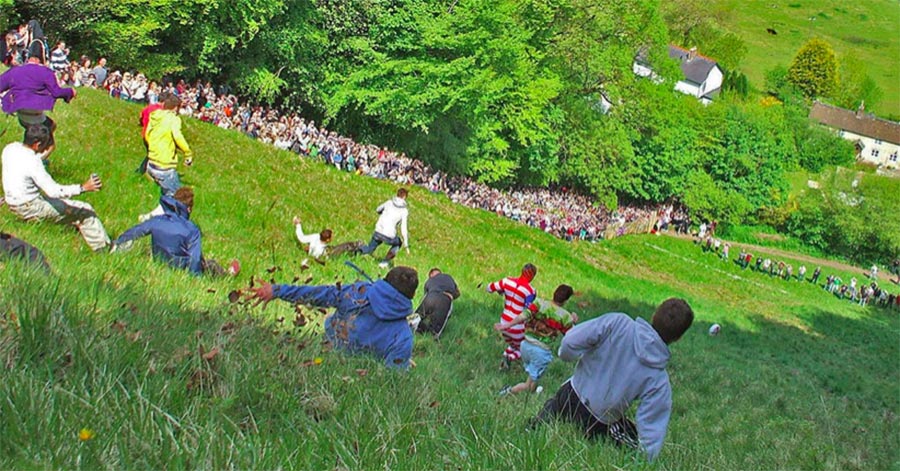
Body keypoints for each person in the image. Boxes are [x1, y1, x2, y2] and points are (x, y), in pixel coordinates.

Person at [532, 298, 694, 461]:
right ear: (678, 338)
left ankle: (537, 424)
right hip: (598, 421)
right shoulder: (658, 378)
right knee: (630, 439)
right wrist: (647, 460)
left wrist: (566, 356)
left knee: (556, 406)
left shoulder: (618, 323)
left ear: (653, 315)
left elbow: (570, 341)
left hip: (569, 394)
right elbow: (652, 426)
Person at [247, 266, 419, 369]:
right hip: (353, 378)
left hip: (321, 352)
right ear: (410, 297)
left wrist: (278, 290)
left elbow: (320, 295)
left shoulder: (357, 293)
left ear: (384, 281)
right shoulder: (403, 338)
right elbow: (392, 380)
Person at [1, 125, 109, 251]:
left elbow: (25, 164)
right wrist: (83, 187)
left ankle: (77, 232)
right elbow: (54, 191)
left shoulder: (10, 148)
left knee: (67, 207)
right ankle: (104, 249)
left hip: (11, 202)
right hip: (30, 207)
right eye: (45, 145)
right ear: (38, 144)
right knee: (85, 210)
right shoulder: (33, 162)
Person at [112, 187, 238, 277]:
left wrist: (118, 242)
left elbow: (136, 231)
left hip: (160, 262)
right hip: (181, 268)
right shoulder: (192, 229)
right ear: (188, 209)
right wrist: (195, 278)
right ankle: (228, 274)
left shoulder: (157, 220)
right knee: (210, 264)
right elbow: (194, 258)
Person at [496, 284, 578, 396]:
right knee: (528, 385)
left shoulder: (539, 303)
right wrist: (573, 322)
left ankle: (533, 393)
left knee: (534, 378)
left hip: (524, 346)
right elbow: (574, 336)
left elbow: (523, 316)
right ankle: (507, 392)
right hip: (540, 352)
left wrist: (506, 325)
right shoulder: (565, 317)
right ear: (566, 300)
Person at [0, 54, 76, 160]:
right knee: (50, 145)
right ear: (38, 60)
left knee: (50, 126)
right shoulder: (45, 71)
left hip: (21, 113)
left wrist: (6, 103)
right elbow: (57, 92)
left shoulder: (15, 70)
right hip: (35, 113)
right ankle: (35, 163)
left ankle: (29, 157)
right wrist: (70, 91)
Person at [141, 94, 194, 220]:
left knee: (168, 195)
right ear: (175, 108)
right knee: (180, 199)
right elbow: (177, 135)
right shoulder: (173, 119)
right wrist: (188, 153)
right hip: (164, 166)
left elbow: (147, 135)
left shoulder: (155, 116)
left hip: (151, 164)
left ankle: (160, 217)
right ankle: (151, 218)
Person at [487, 263, 538, 366]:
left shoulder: (507, 281)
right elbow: (528, 309)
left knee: (512, 345)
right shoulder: (531, 291)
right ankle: (510, 358)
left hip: (503, 322)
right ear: (532, 276)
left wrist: (501, 290)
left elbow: (489, 288)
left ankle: (506, 359)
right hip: (517, 325)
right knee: (521, 349)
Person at [358, 188, 409, 268]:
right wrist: (406, 243)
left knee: (370, 248)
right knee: (398, 243)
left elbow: (378, 209)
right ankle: (384, 262)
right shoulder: (404, 210)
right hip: (389, 236)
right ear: (404, 197)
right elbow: (403, 228)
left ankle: (356, 251)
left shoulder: (389, 202)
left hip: (378, 231)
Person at [413, 268, 460, 338]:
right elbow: (458, 293)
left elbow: (424, 296)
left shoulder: (429, 281)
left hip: (430, 296)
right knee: (436, 331)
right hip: (445, 299)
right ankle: (432, 336)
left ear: (431, 275)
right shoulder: (448, 277)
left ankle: (415, 328)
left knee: (417, 317)